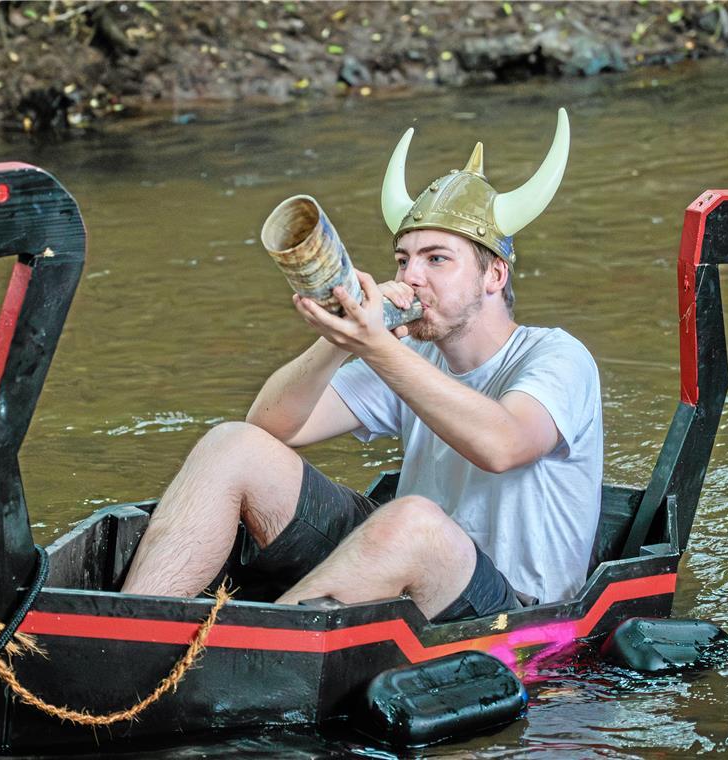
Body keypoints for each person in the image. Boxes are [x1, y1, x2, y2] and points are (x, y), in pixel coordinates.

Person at [122, 109, 603, 622]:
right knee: (230, 445)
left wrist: (376, 346)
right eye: (402, 259)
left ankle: (236, 658)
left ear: (494, 275)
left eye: (436, 259)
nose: (411, 275)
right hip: (407, 576)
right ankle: (130, 635)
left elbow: (503, 445)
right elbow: (270, 427)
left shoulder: (558, 356)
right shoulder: (409, 353)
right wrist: (340, 338)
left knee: (415, 520)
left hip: (516, 612)